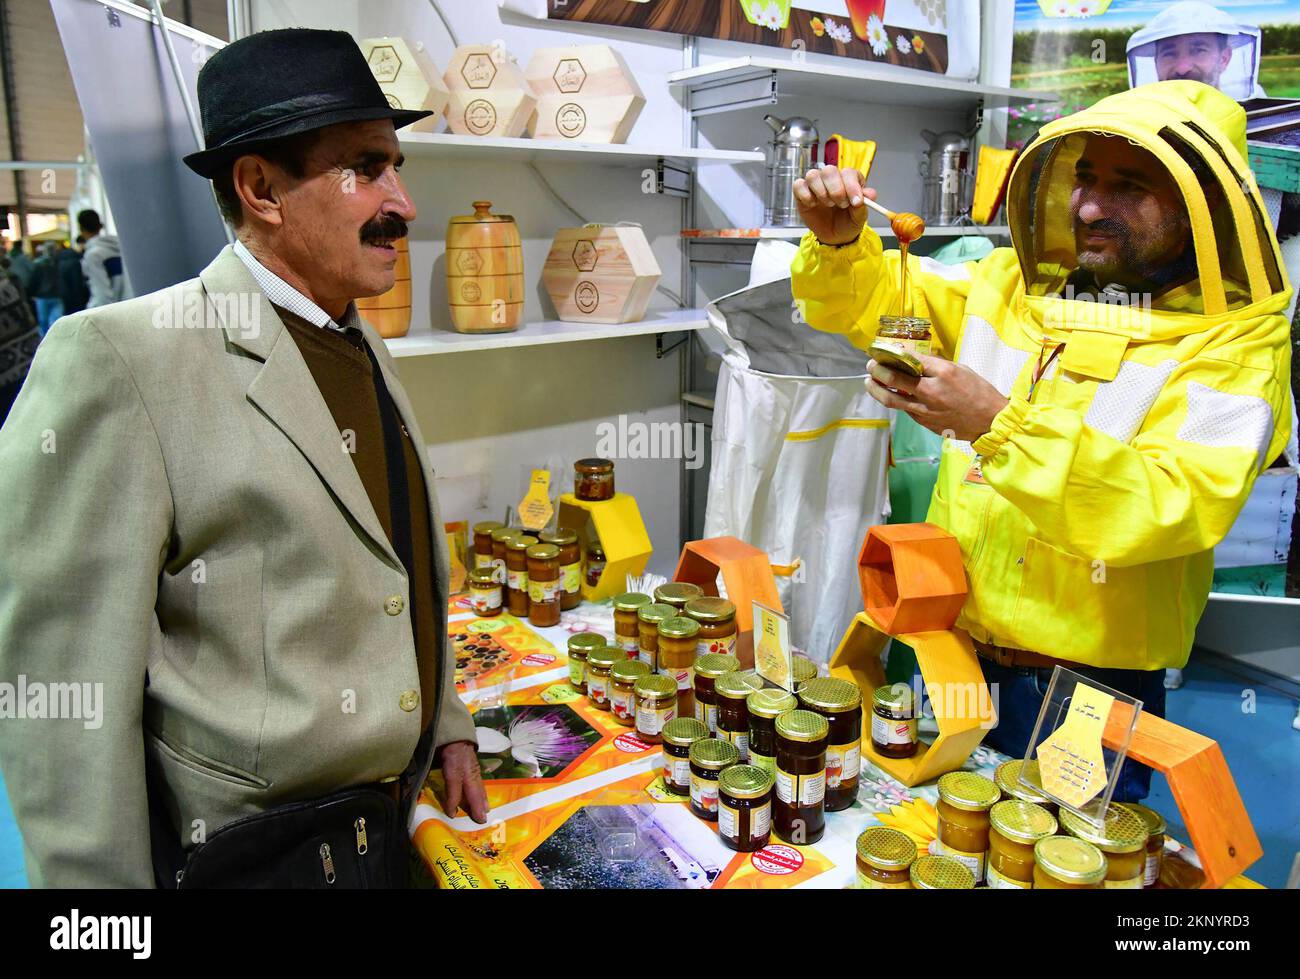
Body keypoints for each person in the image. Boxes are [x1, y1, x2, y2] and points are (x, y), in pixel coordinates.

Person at [0, 28, 484, 888]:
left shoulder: (358, 339)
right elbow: (61, 704)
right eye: (367, 167)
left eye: (396, 167)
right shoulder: (121, 360)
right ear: (261, 189)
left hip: (387, 832)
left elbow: (402, 561)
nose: (403, 202)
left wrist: (444, 718)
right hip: (252, 861)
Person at [790, 81, 1292, 801]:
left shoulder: (1238, 342)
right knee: (942, 833)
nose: (1089, 206)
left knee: (1071, 857)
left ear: (1201, 204)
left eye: (1128, 186)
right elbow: (887, 306)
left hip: (1091, 684)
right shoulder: (1017, 286)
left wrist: (997, 424)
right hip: (952, 645)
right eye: (1085, 177)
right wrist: (840, 243)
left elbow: (1177, 503)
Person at [1126, 1, 1264, 101]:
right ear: (1156, 62)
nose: (1182, 69)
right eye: (1169, 53)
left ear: (1224, 59)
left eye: (1199, 51)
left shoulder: (1254, 100)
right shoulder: (1145, 112)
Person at [76, 208, 126, 307]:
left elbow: (102, 295)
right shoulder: (121, 248)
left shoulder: (93, 255)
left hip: (112, 312)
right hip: (130, 305)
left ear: (82, 229)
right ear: (100, 226)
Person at [28, 242, 63, 335]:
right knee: (56, 322)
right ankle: (55, 341)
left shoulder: (38, 264)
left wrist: (31, 293)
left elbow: (34, 280)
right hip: (56, 295)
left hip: (42, 296)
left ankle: (45, 344)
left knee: (43, 322)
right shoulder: (58, 263)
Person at [56, 238, 89, 316]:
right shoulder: (76, 262)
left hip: (65, 296)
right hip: (77, 298)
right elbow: (77, 283)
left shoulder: (60, 261)